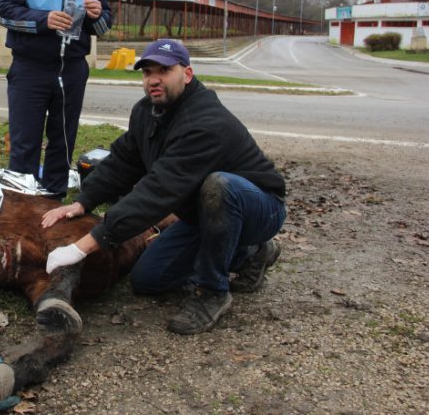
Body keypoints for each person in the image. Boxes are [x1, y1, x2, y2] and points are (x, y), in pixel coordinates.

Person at [41, 39, 287, 335]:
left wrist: (82, 247)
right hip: (202, 215)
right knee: (148, 279)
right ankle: (251, 254)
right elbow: (124, 160)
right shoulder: (147, 112)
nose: (153, 80)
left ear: (187, 73)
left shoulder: (205, 122)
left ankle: (213, 292)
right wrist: (83, 201)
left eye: (164, 70)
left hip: (258, 208)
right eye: (147, 73)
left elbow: (158, 190)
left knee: (219, 186)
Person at [0, 0, 112, 198]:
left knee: (63, 139)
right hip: (29, 67)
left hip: (71, 70)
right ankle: (22, 201)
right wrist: (42, 20)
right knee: (25, 141)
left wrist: (97, 15)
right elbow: (1, 11)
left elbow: (106, 27)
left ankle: (54, 199)